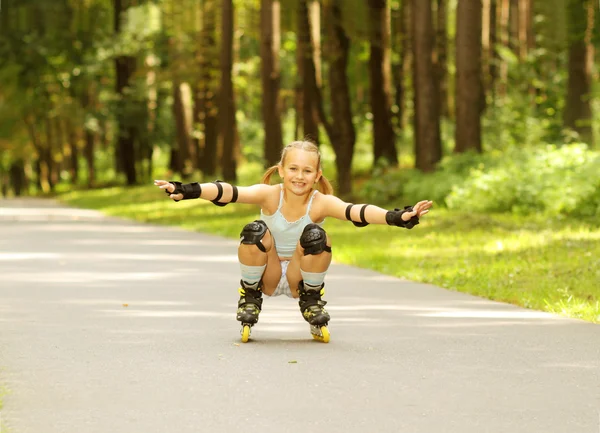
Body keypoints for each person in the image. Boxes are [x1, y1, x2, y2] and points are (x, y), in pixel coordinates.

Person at [154, 140, 432, 342]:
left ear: (317, 176)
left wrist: (398, 217)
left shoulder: (320, 202)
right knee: (254, 231)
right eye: (294, 169)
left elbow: (356, 211)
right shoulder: (269, 194)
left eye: (308, 171)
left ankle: (311, 300)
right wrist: (187, 190)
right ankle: (250, 294)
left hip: (302, 275)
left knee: (317, 237)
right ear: (281, 171)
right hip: (268, 273)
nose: (300, 176)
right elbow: (228, 191)